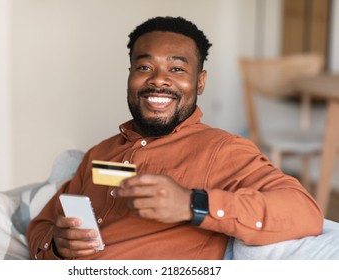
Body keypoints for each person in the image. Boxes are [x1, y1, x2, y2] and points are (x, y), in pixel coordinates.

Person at [26, 16, 323, 260]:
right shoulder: (100, 153)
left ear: (200, 82)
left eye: (177, 68)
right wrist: (57, 245)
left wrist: (192, 204)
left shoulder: (222, 149)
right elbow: (41, 224)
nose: (158, 79)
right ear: (130, 76)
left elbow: (304, 212)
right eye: (144, 67)